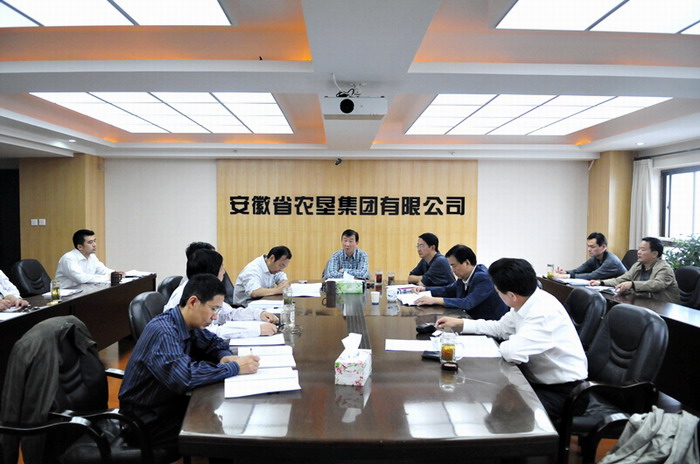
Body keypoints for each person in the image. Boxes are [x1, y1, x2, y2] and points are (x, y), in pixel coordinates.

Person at [119, 274, 260, 455]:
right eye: (213, 309)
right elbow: (185, 378)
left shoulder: (186, 323)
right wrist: (234, 367)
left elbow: (214, 342)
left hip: (168, 405)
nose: (214, 317)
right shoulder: (163, 332)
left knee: (224, 418)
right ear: (193, 302)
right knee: (221, 431)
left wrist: (225, 356)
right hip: (145, 422)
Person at [436, 258, 587, 423]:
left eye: (498, 292)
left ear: (512, 296)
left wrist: (507, 343)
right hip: (538, 380)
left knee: (507, 415)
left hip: (563, 393)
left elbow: (512, 352)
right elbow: (500, 328)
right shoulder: (527, 301)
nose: (497, 295)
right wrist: (461, 323)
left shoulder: (542, 313)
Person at [165, 249, 278, 337]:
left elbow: (229, 314)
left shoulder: (206, 289)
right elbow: (209, 333)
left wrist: (258, 314)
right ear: (210, 273)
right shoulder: (188, 295)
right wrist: (256, 330)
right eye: (221, 268)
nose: (223, 272)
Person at [413, 245, 508, 320]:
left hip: (491, 325)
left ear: (467, 263)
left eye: (454, 265)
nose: (452, 270)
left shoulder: (484, 277)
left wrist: (435, 300)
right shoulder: (464, 276)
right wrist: (424, 289)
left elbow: (468, 302)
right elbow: (448, 290)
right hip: (473, 320)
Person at [591, 237, 681, 304]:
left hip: (663, 308)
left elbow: (655, 285)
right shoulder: (638, 265)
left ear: (654, 254)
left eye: (643, 250)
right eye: (639, 249)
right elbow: (622, 279)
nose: (638, 252)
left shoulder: (664, 268)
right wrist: (601, 282)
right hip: (643, 303)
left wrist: (632, 284)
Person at [55, 229, 122, 288]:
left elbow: (102, 270)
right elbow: (81, 278)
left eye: (94, 241)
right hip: (66, 295)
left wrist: (115, 274)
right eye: (90, 242)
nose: (94, 244)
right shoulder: (69, 258)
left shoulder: (92, 256)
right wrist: (108, 277)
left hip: (83, 292)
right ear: (80, 247)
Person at [555, 232, 626, 280]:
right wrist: (565, 272)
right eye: (588, 246)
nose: (589, 249)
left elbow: (593, 276)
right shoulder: (595, 258)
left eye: (592, 247)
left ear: (603, 247)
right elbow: (579, 271)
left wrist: (566, 276)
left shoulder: (611, 261)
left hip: (623, 292)